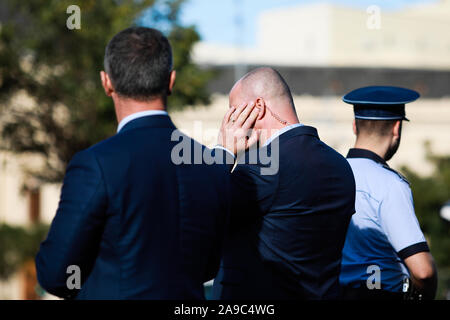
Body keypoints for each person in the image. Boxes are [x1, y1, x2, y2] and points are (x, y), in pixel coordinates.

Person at [35, 27, 230, 299]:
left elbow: (56, 274)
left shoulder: (95, 164)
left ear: (106, 82)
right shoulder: (210, 165)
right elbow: (208, 266)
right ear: (171, 80)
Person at [212, 67, 356, 300]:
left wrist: (223, 151)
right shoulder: (339, 164)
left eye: (233, 112)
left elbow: (204, 204)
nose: (230, 122)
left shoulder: (265, 167)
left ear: (257, 107)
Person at [340, 86, 438, 300]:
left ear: (355, 126)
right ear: (396, 128)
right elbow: (423, 271)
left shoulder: (329, 173)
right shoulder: (390, 183)